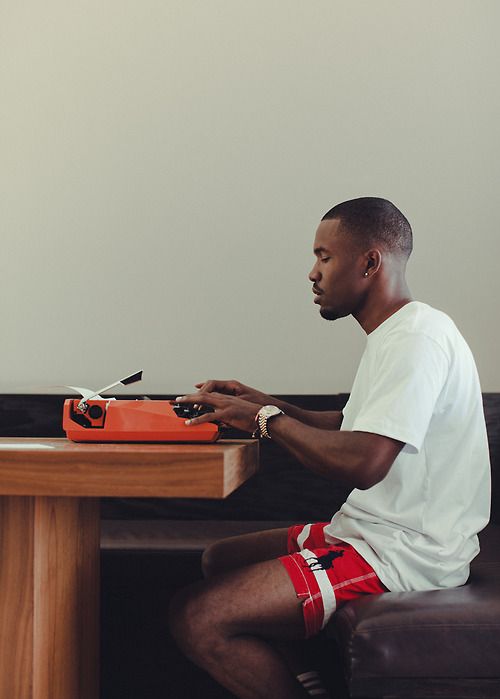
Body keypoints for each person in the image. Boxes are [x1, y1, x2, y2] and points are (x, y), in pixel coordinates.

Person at [169, 197, 491, 699]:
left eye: (324, 256)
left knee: (198, 618)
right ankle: (308, 681)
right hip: (374, 533)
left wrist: (263, 420)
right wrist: (258, 399)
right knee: (221, 560)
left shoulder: (417, 339)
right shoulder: (397, 333)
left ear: (369, 262)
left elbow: (364, 462)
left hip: (405, 553)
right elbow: (348, 424)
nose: (312, 274)